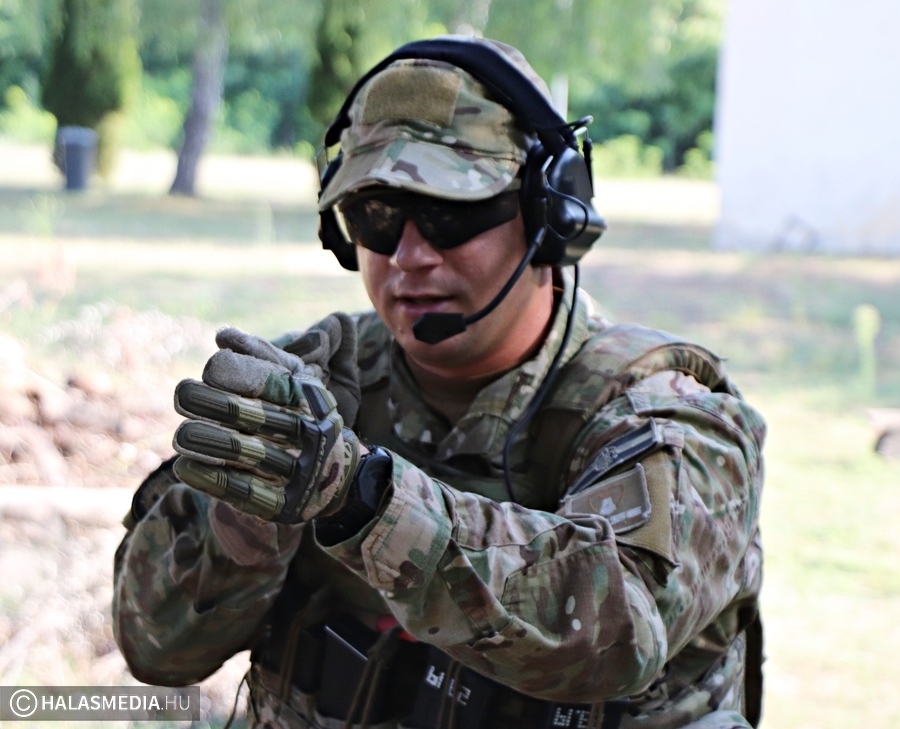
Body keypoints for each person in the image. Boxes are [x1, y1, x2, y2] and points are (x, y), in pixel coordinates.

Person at [112, 36, 766, 729]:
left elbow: (616, 635)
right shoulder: (313, 391)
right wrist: (248, 523)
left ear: (550, 215)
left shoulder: (662, 412)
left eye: (451, 214)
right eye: (374, 217)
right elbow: (157, 646)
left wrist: (360, 500)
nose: (409, 255)